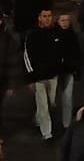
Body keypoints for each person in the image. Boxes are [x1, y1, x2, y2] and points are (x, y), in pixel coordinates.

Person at [24, 8, 62, 142]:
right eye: (44, 16)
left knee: (51, 102)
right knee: (43, 104)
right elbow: (27, 57)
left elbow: (60, 52)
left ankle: (37, 119)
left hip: (53, 75)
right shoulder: (32, 34)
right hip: (39, 77)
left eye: (49, 16)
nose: (47, 18)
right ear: (39, 18)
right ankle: (47, 133)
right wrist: (30, 78)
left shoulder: (55, 33)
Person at [53, 12, 82, 132]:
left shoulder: (73, 36)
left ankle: (67, 124)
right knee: (51, 100)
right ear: (57, 21)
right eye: (62, 20)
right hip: (53, 72)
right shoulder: (52, 34)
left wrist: (75, 68)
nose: (65, 23)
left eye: (67, 20)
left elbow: (77, 54)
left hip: (68, 71)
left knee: (68, 97)